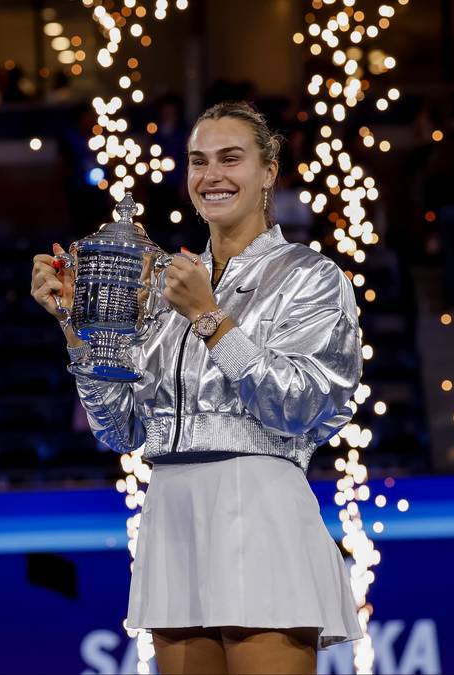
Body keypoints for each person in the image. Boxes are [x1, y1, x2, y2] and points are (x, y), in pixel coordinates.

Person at [31, 102, 362, 674]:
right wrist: (76, 329)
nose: (212, 176)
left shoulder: (311, 276)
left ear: (269, 169)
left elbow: (306, 404)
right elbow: (121, 428)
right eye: (198, 162)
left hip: (260, 505)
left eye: (230, 159)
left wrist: (211, 320)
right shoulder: (163, 283)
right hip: (171, 509)